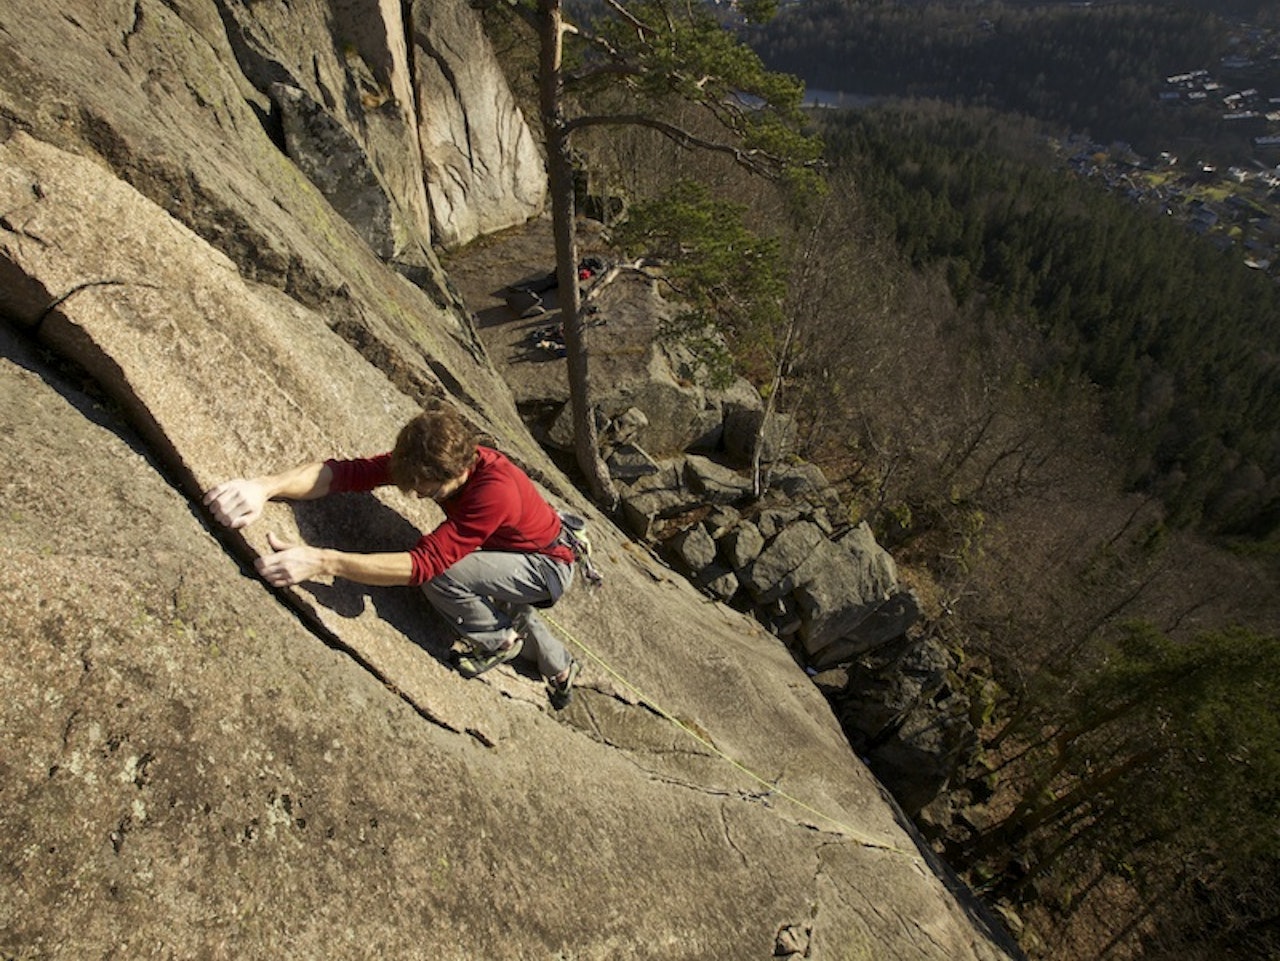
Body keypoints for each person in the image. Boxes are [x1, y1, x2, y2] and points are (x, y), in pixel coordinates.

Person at [203, 400, 583, 709]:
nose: (417, 495)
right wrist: (265, 487)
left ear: (457, 472)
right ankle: (561, 668)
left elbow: (424, 565)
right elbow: (346, 474)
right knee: (504, 597)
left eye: (429, 491)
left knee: (446, 576)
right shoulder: (429, 456)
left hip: (547, 566)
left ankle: (498, 641)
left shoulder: (493, 492)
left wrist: (322, 561)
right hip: (515, 549)